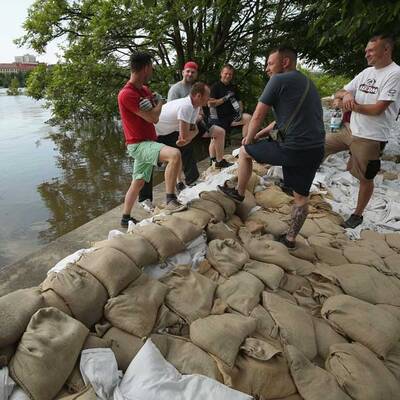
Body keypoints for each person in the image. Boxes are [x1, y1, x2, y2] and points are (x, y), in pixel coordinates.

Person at [218, 47, 325, 249]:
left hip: (292, 148)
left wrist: (249, 140)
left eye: (270, 63)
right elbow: (281, 122)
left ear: (285, 62)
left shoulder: (278, 80)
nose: (267, 69)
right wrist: (259, 135)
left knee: (245, 152)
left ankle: (239, 192)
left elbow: (257, 116)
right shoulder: (307, 83)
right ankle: (290, 239)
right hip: (315, 149)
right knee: (301, 197)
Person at [325, 34, 400, 229]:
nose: (366, 54)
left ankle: (357, 215)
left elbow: (378, 109)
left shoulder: (395, 74)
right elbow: (341, 91)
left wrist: (350, 105)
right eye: (366, 50)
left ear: (386, 50)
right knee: (317, 145)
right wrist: (347, 94)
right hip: (349, 130)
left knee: (366, 177)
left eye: (371, 50)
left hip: (371, 136)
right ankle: (295, 185)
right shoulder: (366, 72)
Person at [118, 52, 186, 228]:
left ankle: (125, 217)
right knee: (174, 155)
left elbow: (152, 112)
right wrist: (159, 104)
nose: (153, 70)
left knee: (138, 182)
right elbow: (153, 119)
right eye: (152, 66)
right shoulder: (127, 94)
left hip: (147, 141)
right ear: (146, 67)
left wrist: (155, 102)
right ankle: (171, 199)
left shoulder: (145, 90)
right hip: (138, 144)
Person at [208, 64, 252, 138]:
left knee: (248, 118)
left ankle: (245, 144)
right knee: (215, 140)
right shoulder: (215, 87)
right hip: (219, 118)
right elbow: (210, 104)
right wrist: (225, 98)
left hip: (232, 116)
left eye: (230, 74)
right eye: (226, 73)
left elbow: (239, 102)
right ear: (221, 73)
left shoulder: (234, 87)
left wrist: (240, 112)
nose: (228, 76)